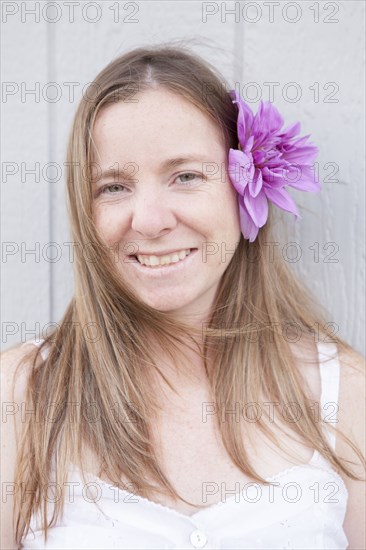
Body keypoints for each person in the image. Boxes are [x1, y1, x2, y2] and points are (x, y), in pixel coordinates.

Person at [1, 43, 365, 550]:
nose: (150, 220)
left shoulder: (342, 393)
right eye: (114, 187)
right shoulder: (22, 395)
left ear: (246, 187)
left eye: (186, 176)